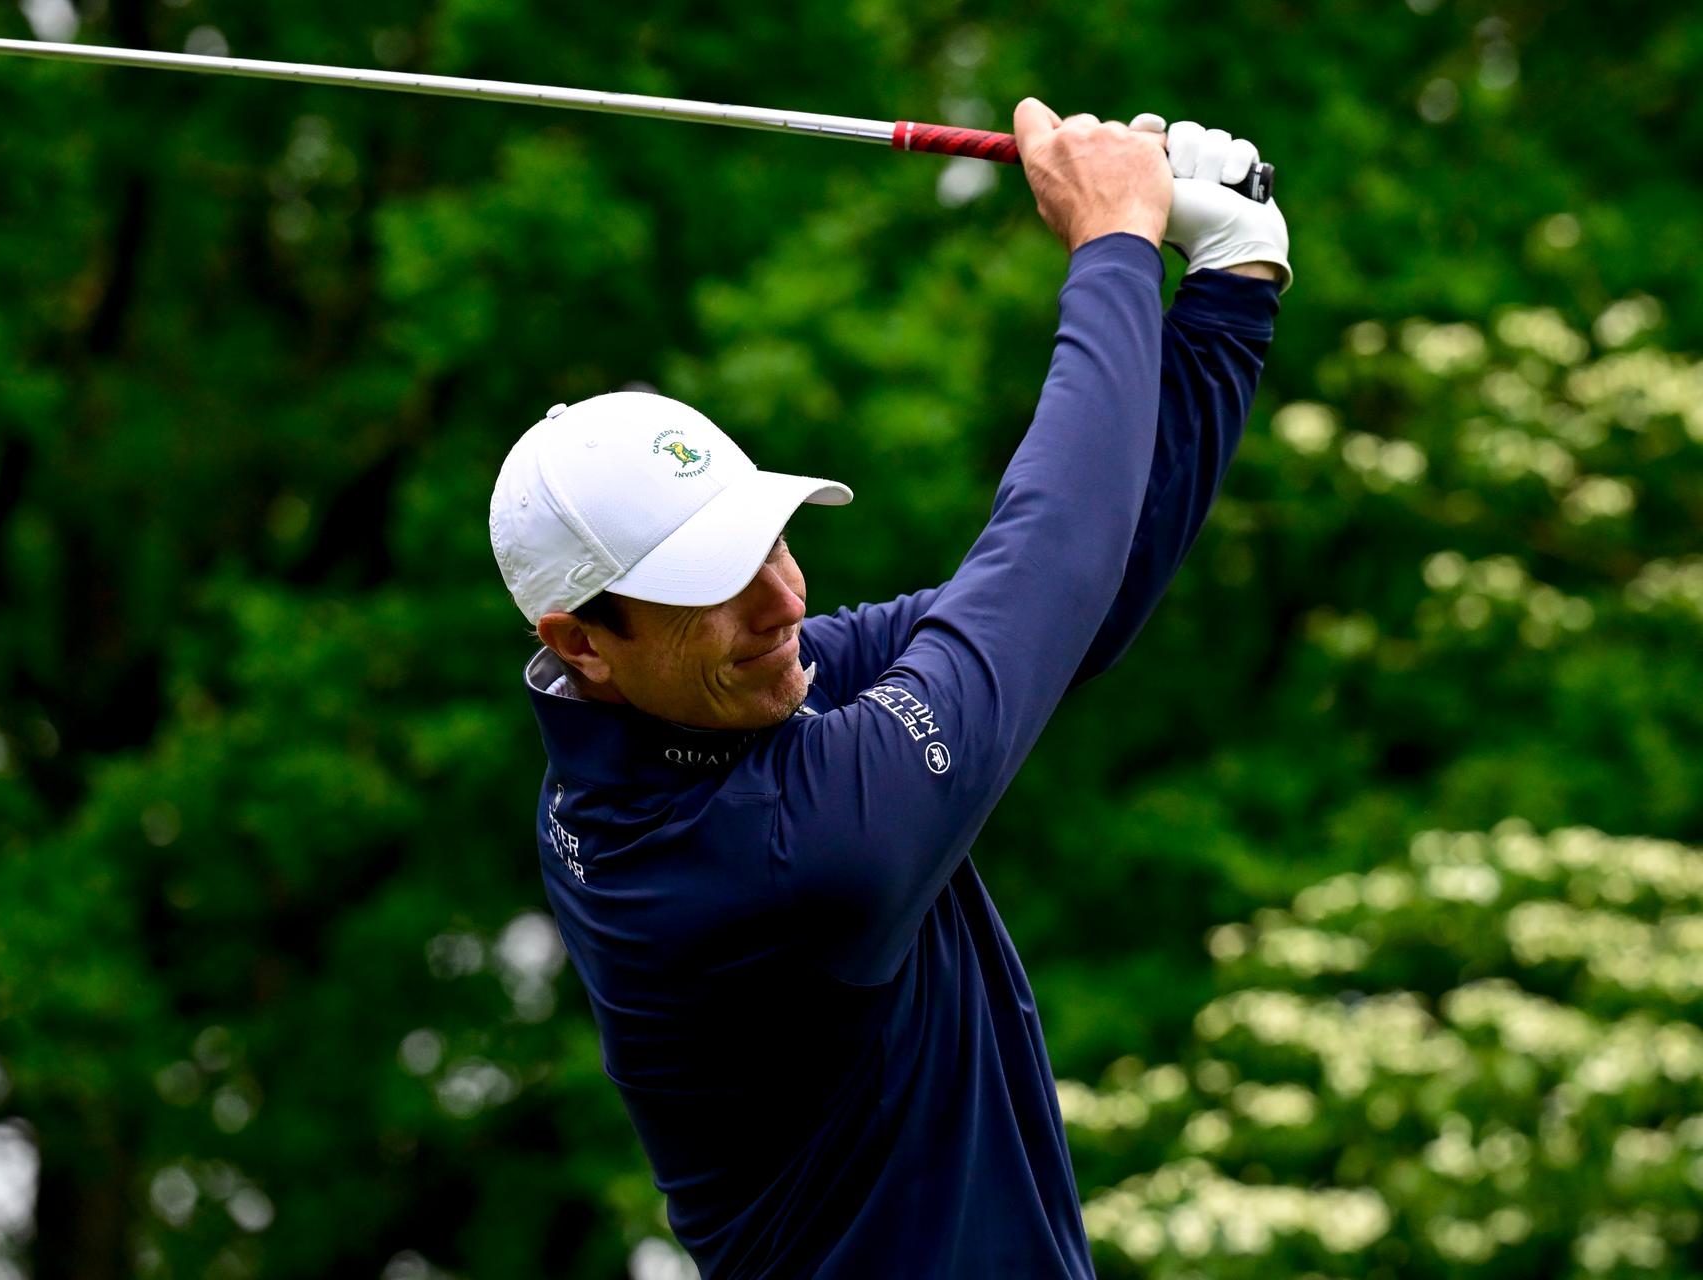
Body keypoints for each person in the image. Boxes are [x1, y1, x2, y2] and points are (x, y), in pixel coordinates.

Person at [487, 99, 1289, 1278]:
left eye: (769, 538)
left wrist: (1230, 287)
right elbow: (1049, 566)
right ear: (584, 643)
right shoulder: (782, 854)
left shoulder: (698, 712)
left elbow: (1075, 600)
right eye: (713, 583)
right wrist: (1113, 246)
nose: (782, 600)